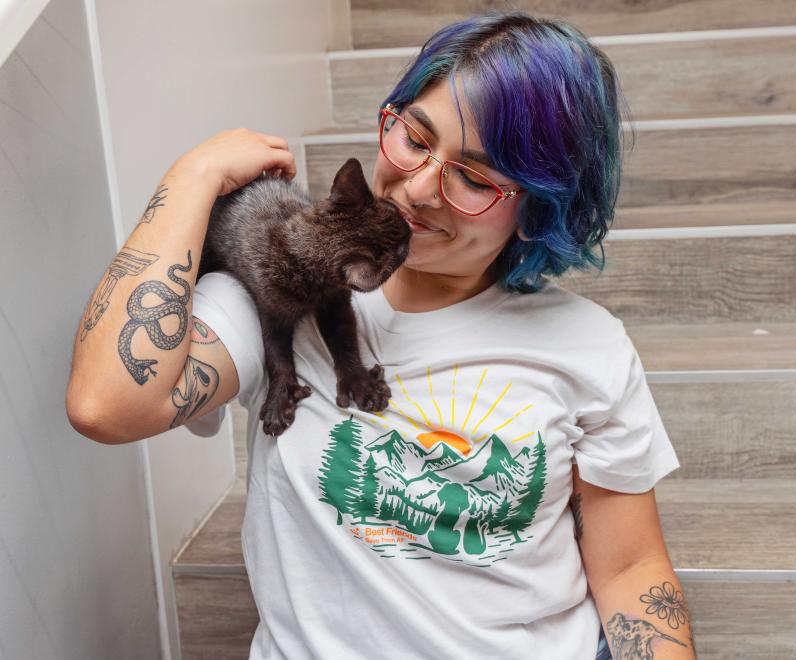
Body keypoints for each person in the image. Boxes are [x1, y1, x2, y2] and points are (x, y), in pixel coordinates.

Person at [67, 11, 696, 660]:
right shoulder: (280, 297)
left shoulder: (589, 345)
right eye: (415, 138)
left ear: (541, 209)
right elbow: (104, 404)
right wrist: (191, 178)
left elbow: (630, 573)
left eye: (475, 178)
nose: (419, 189)